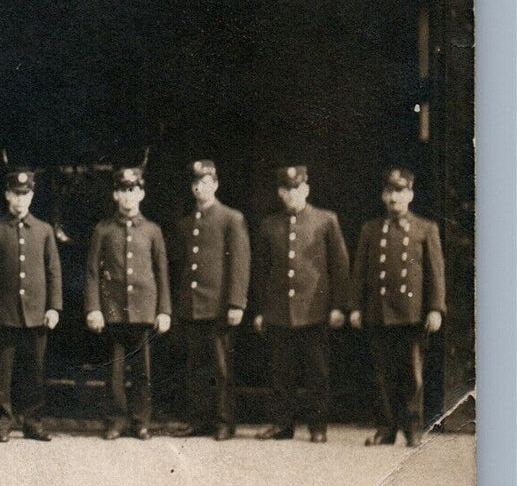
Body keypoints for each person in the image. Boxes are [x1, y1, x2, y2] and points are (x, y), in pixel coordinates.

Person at [252, 166, 351, 443]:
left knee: (317, 372)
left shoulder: (325, 220)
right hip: (279, 310)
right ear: (280, 192)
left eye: (298, 188)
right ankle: (282, 425)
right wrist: (260, 310)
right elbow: (262, 271)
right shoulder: (269, 225)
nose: (292, 194)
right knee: (280, 373)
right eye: (287, 189)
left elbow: (339, 267)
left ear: (306, 189)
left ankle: (317, 427)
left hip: (315, 311)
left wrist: (338, 306)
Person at [350, 168, 445, 447]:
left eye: (400, 192)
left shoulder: (425, 229)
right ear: (383, 195)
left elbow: (435, 273)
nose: (395, 198)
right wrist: (355, 306)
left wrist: (436, 308)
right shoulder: (371, 229)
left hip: (412, 314)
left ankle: (413, 429)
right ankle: (386, 429)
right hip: (379, 311)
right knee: (382, 374)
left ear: (411, 194)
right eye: (390, 192)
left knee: (412, 374)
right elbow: (360, 272)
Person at [84, 167, 170, 440]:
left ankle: (141, 420)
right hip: (113, 311)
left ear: (142, 193)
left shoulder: (153, 231)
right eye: (123, 190)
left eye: (133, 190)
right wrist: (93, 308)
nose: (128, 196)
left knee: (143, 372)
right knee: (115, 373)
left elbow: (162, 272)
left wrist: (164, 310)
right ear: (115, 194)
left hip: (144, 311)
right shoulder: (103, 229)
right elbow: (92, 273)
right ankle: (116, 420)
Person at [0, 167, 62, 442]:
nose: (20, 199)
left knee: (34, 371)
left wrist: (53, 307)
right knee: (3, 373)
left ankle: (33, 422)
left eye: (25, 194)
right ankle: (2, 422)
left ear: (32, 196)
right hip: (5, 314)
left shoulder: (44, 230)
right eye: (15, 194)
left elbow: (53, 272)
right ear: (6, 195)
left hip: (37, 314)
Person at [169, 160, 250, 441]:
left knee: (221, 368)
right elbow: (182, 266)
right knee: (195, 367)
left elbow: (240, 263)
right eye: (195, 183)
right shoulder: (186, 222)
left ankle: (225, 421)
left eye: (205, 183)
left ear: (215, 184)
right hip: (192, 305)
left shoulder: (231, 218)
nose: (199, 188)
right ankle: (198, 419)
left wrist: (236, 303)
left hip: (218, 307)